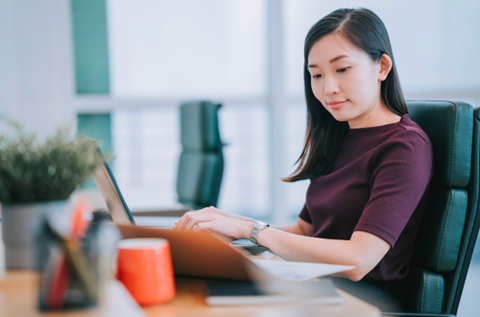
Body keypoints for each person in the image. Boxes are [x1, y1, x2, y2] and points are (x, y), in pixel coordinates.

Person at [173, 7, 433, 310]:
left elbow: (358, 261)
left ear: (382, 67)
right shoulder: (339, 136)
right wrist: (230, 223)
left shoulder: (404, 147)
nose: (328, 88)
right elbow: (304, 231)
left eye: (342, 69)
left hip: (360, 304)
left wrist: (252, 231)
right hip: (315, 288)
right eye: (316, 75)